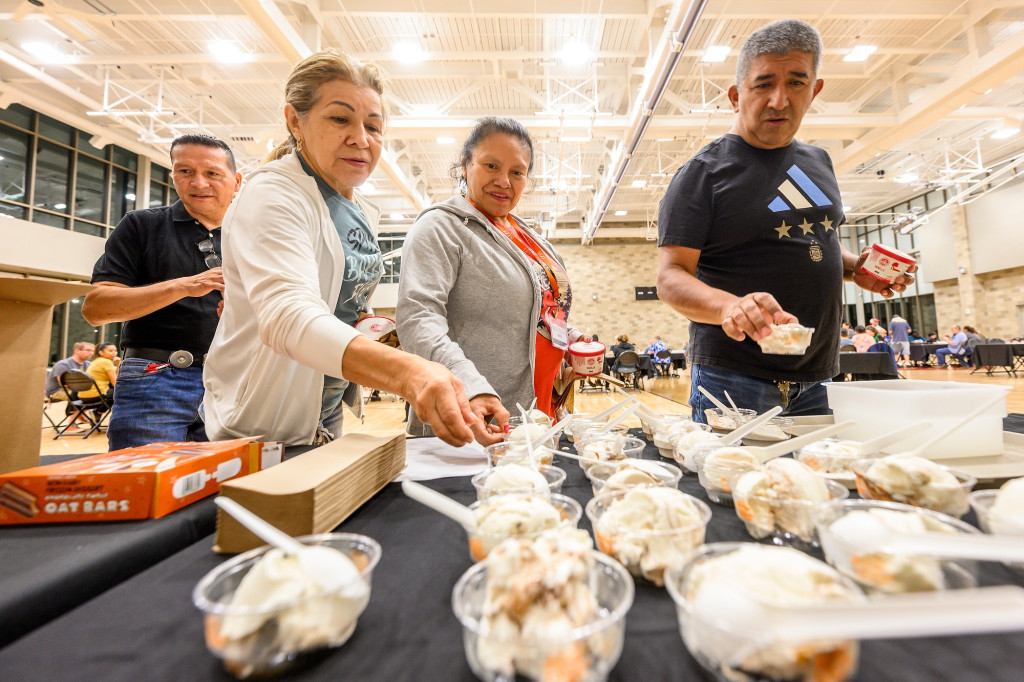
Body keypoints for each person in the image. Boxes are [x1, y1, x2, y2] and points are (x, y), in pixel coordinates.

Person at [202, 50, 476, 447]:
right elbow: (287, 316)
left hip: (324, 411)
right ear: (296, 120)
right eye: (340, 118)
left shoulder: (359, 207)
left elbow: (339, 298)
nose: (361, 139)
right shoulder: (272, 194)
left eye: (373, 126)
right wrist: (408, 373)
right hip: (265, 424)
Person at [655, 19, 916, 421]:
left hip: (822, 373)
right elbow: (670, 277)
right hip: (734, 377)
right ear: (735, 95)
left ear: (815, 90)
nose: (779, 100)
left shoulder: (819, 162)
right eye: (763, 85)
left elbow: (815, 241)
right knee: (735, 483)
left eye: (796, 83)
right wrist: (732, 306)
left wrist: (857, 269)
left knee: (814, 482)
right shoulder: (704, 173)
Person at [398, 116, 582, 444]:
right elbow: (418, 321)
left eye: (517, 172)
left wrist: (577, 343)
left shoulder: (534, 241)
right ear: (465, 165)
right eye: (491, 166)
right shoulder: (440, 227)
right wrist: (471, 386)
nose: (504, 181)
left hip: (540, 418)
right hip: (471, 419)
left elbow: (544, 315)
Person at [83, 133, 241, 450]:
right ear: (173, 175)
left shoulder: (255, 235)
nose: (198, 183)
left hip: (236, 385)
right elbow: (96, 309)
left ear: (236, 181)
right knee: (143, 491)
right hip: (155, 378)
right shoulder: (141, 226)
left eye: (211, 173)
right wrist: (186, 285)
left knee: (229, 492)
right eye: (185, 172)